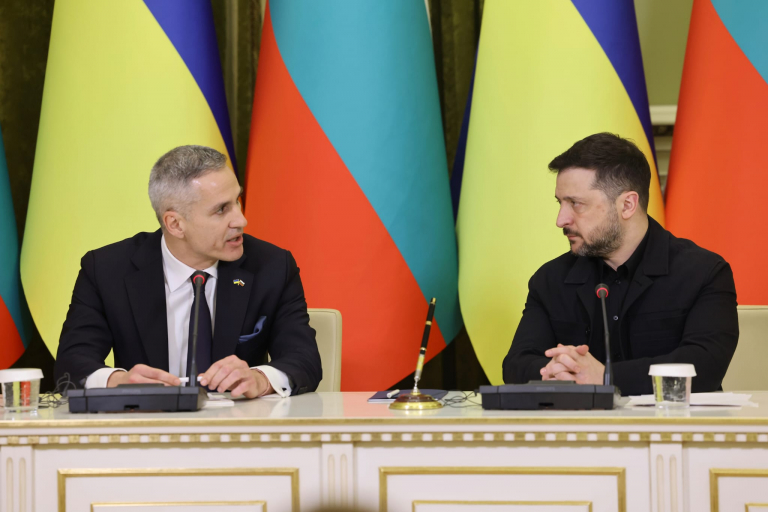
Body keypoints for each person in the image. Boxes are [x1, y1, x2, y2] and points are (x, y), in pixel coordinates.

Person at [55, 145, 322, 398]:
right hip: (146, 424)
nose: (241, 220)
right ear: (175, 224)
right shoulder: (106, 270)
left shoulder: (271, 266)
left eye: (237, 201)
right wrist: (117, 381)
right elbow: (71, 364)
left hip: (238, 423)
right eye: (221, 210)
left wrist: (260, 379)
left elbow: (304, 359)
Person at [502, 133, 738, 395]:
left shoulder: (704, 272)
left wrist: (605, 377)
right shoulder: (550, 279)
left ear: (627, 205)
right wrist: (560, 371)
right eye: (560, 203)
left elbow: (704, 368)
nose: (561, 220)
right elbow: (516, 365)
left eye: (576, 204)